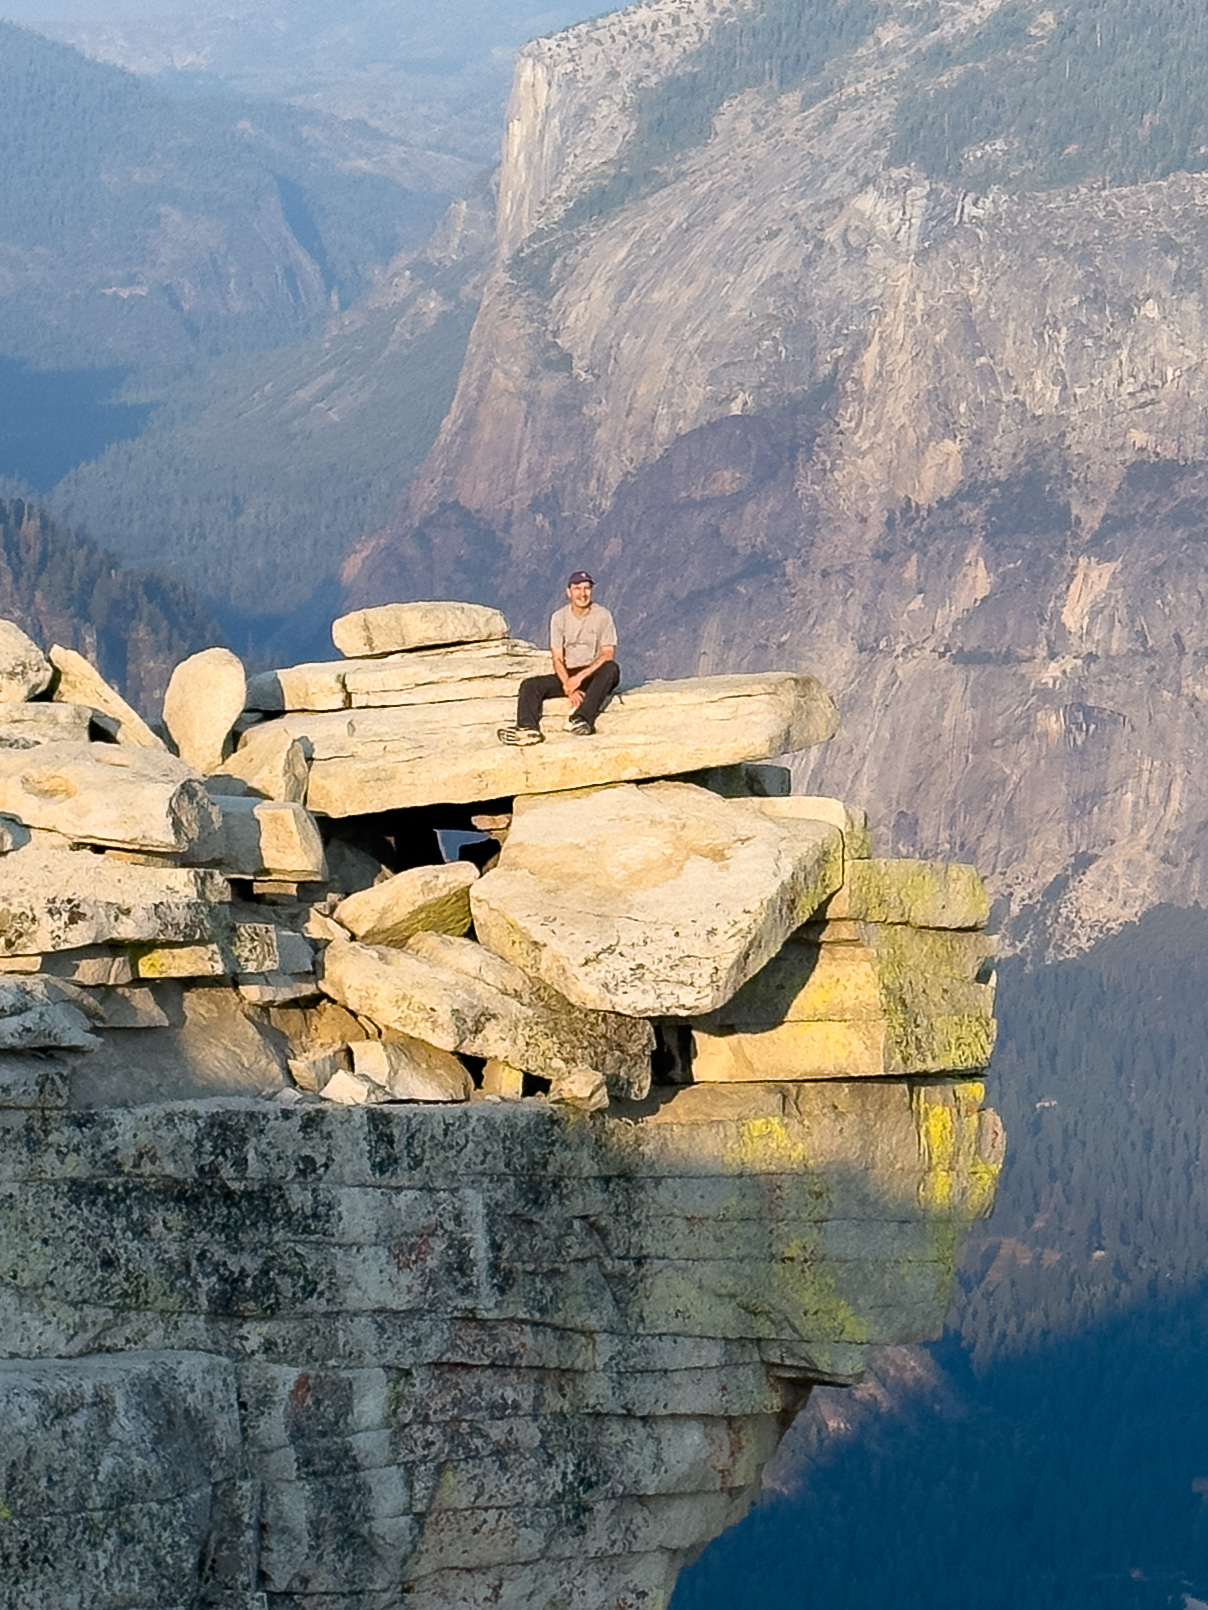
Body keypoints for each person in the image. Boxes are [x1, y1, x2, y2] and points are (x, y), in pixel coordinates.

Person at [498, 571, 619, 745]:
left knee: (611, 668)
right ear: (568, 592)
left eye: (586, 588)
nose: (582, 594)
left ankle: (581, 719)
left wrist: (578, 679)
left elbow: (608, 653)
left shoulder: (602, 616)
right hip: (568, 674)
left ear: (592, 591)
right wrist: (568, 685)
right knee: (530, 686)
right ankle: (527, 728)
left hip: (593, 674)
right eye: (577, 589)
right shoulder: (559, 618)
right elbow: (557, 658)